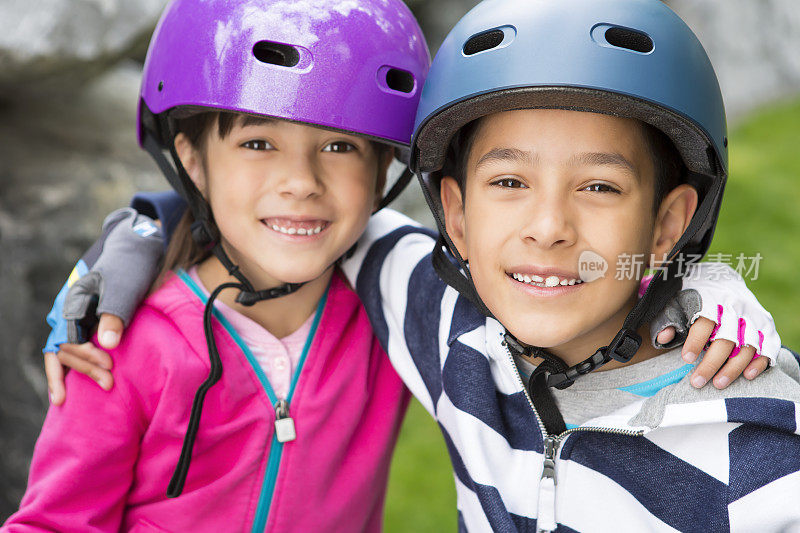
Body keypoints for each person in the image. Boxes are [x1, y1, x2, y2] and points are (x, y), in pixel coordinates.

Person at [20, 0, 791, 531]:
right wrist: (134, 235)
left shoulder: (761, 457)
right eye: (509, 183)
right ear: (454, 213)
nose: (548, 228)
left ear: (668, 223)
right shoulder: (432, 314)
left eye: (598, 186)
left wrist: (707, 282)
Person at [3, 0, 430, 531]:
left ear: (384, 166)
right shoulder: (119, 347)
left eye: (339, 145)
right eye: (258, 142)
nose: (301, 181)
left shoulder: (393, 315)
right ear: (192, 160)